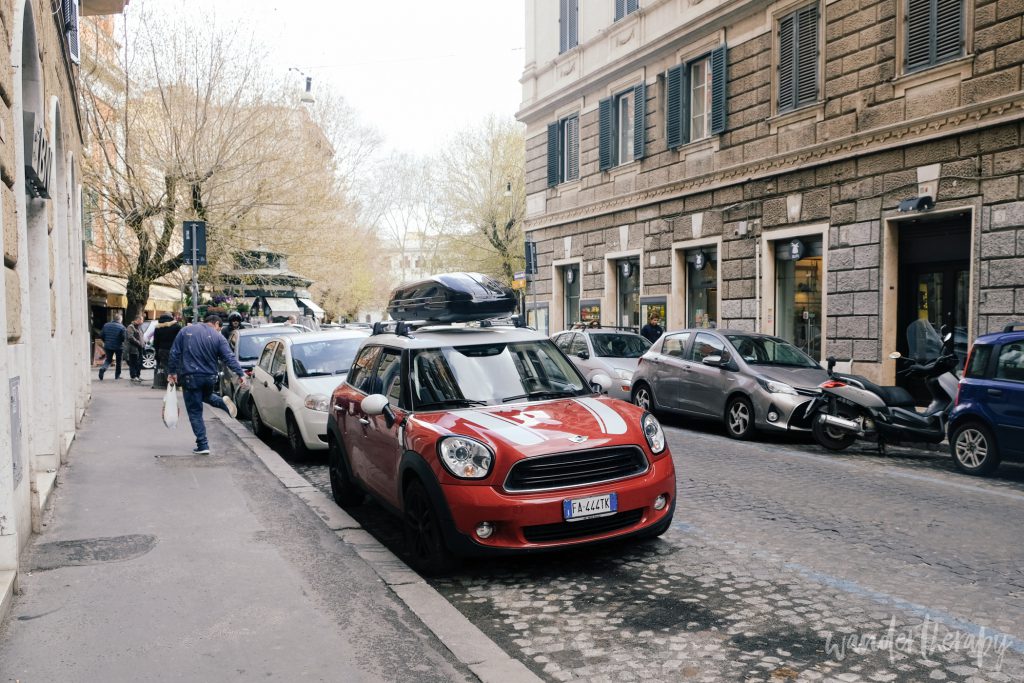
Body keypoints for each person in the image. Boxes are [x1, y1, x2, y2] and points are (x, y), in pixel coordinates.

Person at [168, 314, 245, 455]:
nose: (219, 330)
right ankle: (222, 402)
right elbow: (229, 357)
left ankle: (202, 444)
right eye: (219, 328)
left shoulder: (185, 331)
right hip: (210, 377)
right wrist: (240, 374)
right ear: (216, 324)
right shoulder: (218, 337)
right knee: (206, 396)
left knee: (195, 412)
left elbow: (174, 352)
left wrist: (172, 372)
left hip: (190, 377)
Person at [152, 313, 181, 389]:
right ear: (171, 318)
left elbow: (156, 342)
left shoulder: (158, 328)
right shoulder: (176, 327)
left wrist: (157, 352)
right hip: (174, 350)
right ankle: (177, 382)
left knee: (166, 366)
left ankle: (170, 383)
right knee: (176, 365)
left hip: (162, 350)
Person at [98, 314, 127, 381]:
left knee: (108, 360)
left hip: (108, 346)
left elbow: (101, 335)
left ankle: (103, 368)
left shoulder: (106, 325)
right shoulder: (122, 327)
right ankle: (117, 376)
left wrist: (106, 341)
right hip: (118, 347)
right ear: (120, 320)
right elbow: (124, 338)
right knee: (118, 361)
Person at [126, 315, 146, 384]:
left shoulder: (139, 327)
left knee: (139, 363)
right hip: (133, 348)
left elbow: (141, 336)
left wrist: (143, 343)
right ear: (138, 320)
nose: (142, 321)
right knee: (133, 363)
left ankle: (138, 376)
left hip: (140, 347)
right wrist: (139, 343)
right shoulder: (131, 327)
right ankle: (133, 376)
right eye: (142, 320)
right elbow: (130, 337)